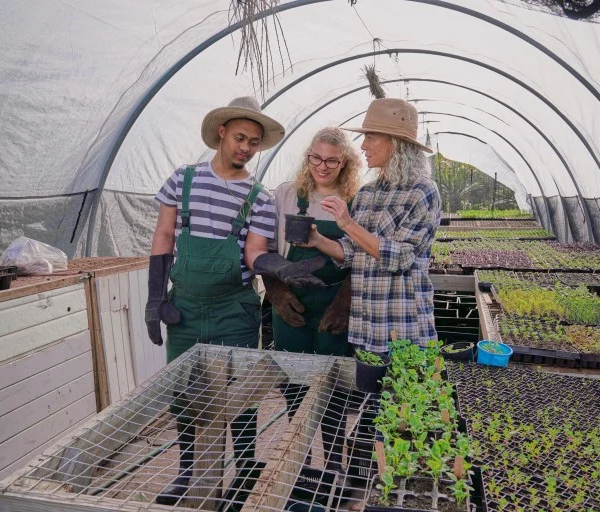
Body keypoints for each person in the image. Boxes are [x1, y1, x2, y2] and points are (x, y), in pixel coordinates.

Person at [145, 96, 325, 505]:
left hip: (234, 310)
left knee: (240, 396)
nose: (246, 147)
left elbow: (252, 253)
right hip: (185, 308)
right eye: (240, 137)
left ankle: (244, 470)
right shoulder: (183, 179)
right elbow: (163, 236)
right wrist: (155, 299)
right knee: (184, 394)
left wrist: (281, 268)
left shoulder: (258, 198)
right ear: (222, 133)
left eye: (254, 142)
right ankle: (188, 473)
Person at [302, 98, 441, 354]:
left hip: (403, 326)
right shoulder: (367, 193)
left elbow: (401, 257)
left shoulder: (422, 191)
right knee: (368, 394)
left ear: (396, 144)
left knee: (403, 392)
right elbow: (353, 252)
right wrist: (318, 241)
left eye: (371, 137)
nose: (363, 145)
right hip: (365, 328)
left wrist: (347, 223)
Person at [265, 127, 362, 472]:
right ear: (307, 157)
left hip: (333, 308)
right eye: (316, 158)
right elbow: (266, 249)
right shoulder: (286, 195)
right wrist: (275, 291)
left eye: (332, 160)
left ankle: (334, 464)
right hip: (292, 304)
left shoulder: (357, 201)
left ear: (345, 163)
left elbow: (363, 256)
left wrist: (346, 300)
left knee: (333, 384)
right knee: (294, 382)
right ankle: (301, 465)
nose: (322, 166)